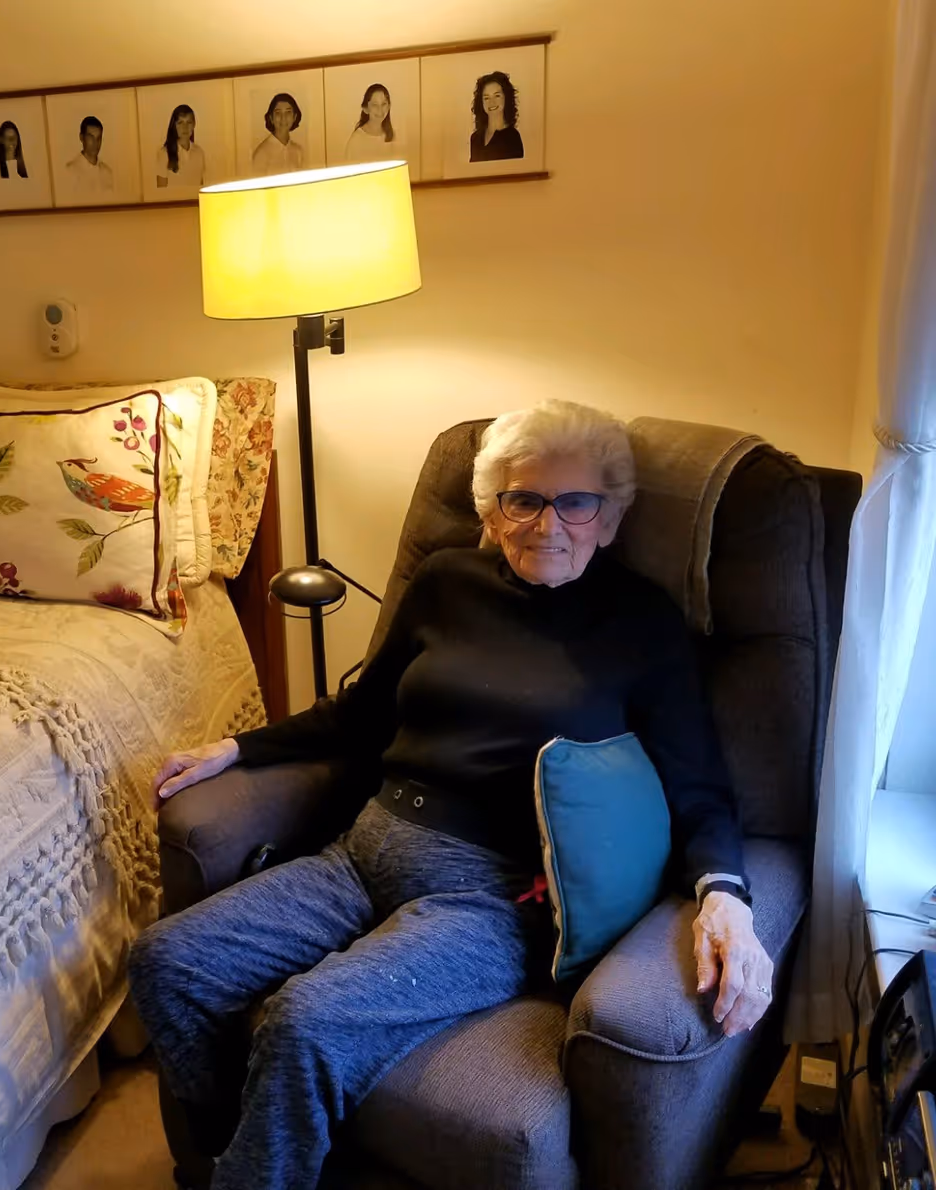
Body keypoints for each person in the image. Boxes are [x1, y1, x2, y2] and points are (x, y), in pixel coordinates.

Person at [128, 400, 773, 1190]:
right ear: (491, 510)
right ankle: (244, 1160)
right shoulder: (445, 583)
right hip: (360, 855)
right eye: (524, 499)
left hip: (493, 898)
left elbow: (699, 782)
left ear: (610, 518)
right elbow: (362, 713)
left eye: (576, 502)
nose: (549, 524)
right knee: (168, 961)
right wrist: (237, 747)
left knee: (308, 1022)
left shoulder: (642, 625)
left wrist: (725, 897)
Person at [470, 70, 525, 162]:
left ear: (506, 97)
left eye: (497, 96)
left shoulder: (512, 138)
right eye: (486, 98)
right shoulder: (475, 138)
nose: (492, 102)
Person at [153, 103, 206, 193]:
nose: (184, 127)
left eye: (188, 122)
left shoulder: (199, 152)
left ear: (194, 125)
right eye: (180, 123)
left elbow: (200, 186)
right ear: (174, 126)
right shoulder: (164, 153)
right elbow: (161, 192)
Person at [250, 92, 305, 175]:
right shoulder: (262, 154)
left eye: (288, 112)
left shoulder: (298, 151)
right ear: (271, 118)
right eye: (278, 113)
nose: (283, 118)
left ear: (295, 117)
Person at [344, 82, 397, 162]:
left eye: (384, 104)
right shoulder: (356, 141)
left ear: (389, 106)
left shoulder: (392, 135)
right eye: (375, 105)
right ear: (365, 109)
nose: (380, 110)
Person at [63, 115, 114, 195]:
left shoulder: (107, 172)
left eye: (98, 138)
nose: (95, 143)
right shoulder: (70, 172)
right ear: (81, 137)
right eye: (91, 137)